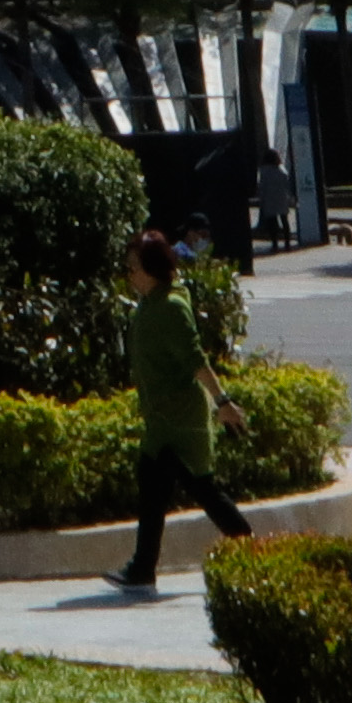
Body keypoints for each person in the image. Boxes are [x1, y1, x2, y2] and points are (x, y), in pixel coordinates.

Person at [113, 228, 255, 591]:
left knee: (203, 490)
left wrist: (222, 402)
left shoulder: (172, 306)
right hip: (161, 418)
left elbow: (195, 359)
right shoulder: (151, 301)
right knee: (154, 489)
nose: (129, 275)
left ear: (152, 269)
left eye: (133, 268)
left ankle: (254, 551)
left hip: (180, 421)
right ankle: (142, 569)